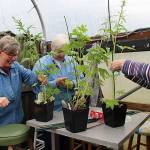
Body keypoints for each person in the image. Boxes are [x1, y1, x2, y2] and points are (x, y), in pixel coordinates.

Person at [0, 35, 47, 126]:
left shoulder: (16, 67)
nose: (14, 58)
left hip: (17, 122)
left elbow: (30, 77)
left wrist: (39, 78)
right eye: (10, 55)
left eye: (15, 55)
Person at [33, 33, 83, 111]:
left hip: (72, 107)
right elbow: (37, 88)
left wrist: (72, 84)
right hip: (51, 110)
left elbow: (82, 80)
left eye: (65, 51)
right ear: (52, 49)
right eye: (59, 52)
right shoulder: (42, 64)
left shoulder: (72, 61)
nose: (62, 54)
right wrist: (55, 83)